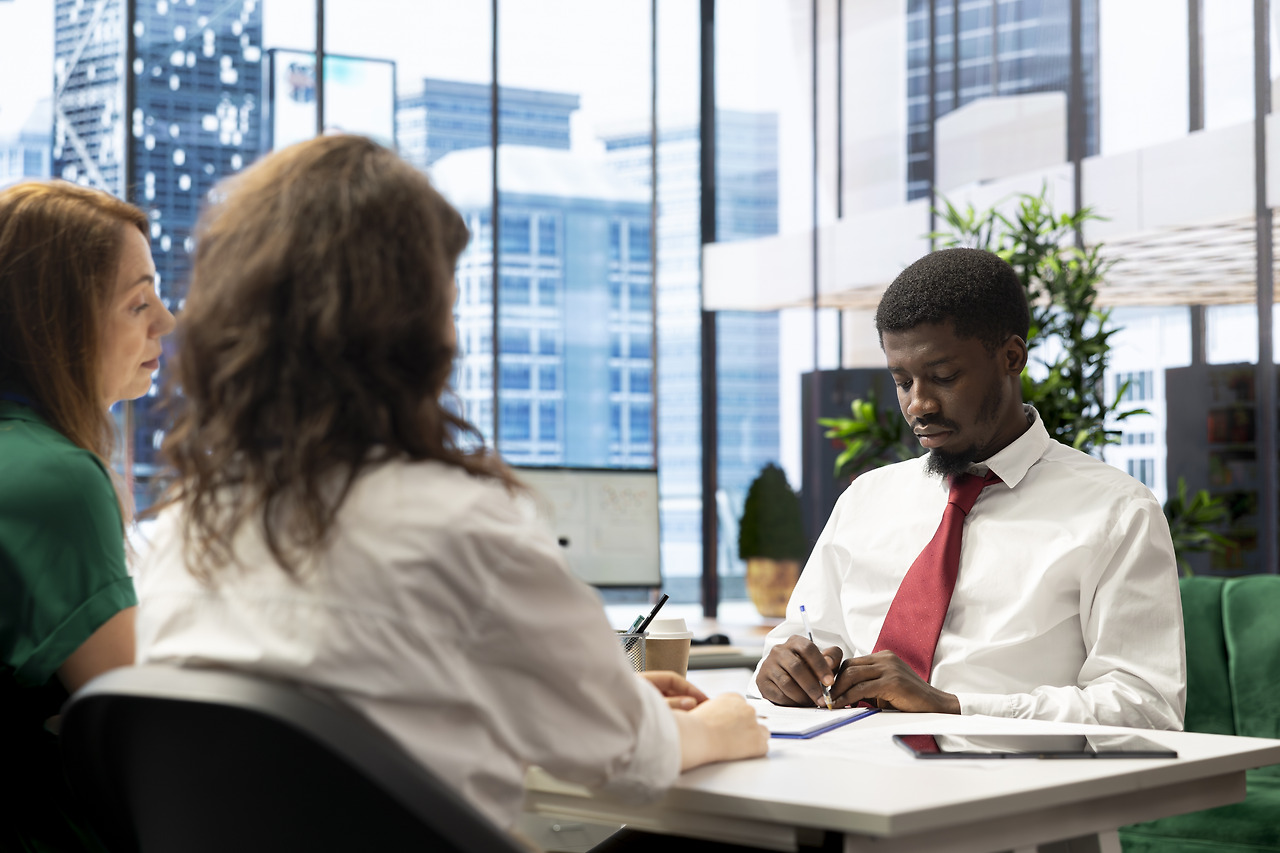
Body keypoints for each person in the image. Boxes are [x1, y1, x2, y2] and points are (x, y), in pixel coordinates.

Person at [134, 134, 768, 836]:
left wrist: (601, 702)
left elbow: (368, 718)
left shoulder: (181, 532)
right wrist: (721, 724)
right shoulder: (462, 527)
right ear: (411, 323)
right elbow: (632, 756)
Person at [755, 247, 1186, 730]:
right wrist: (782, 666)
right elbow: (805, 631)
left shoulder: (1116, 511)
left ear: (1011, 357)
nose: (918, 405)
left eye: (943, 377)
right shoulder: (865, 500)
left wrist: (953, 706)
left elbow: (1147, 708)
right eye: (902, 381)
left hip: (1009, 787)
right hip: (848, 766)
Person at [0, 180, 176, 849]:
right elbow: (139, 743)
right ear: (57, 324)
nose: (165, 320)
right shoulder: (56, 480)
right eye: (139, 302)